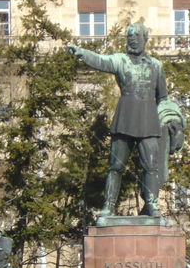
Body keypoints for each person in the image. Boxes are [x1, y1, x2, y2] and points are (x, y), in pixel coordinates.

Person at [67, 23, 169, 219]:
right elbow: (100, 60)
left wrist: (168, 115)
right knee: (116, 166)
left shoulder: (156, 65)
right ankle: (109, 206)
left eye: (137, 36)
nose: (133, 40)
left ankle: (152, 204)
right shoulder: (120, 60)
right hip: (125, 119)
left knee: (151, 167)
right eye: (129, 37)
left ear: (145, 39)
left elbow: (163, 97)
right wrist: (81, 53)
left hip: (149, 120)